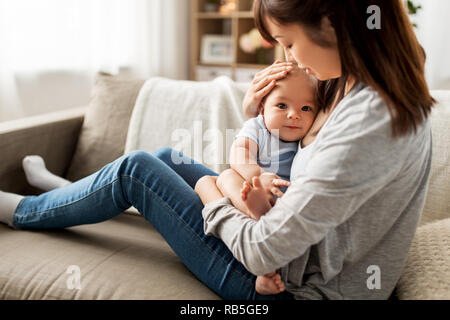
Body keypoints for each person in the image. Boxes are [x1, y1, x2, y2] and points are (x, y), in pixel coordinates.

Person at [0, 0, 435, 299]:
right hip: (283, 234)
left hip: (282, 286)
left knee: (137, 171)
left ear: (332, 24)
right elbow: (304, 151)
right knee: (169, 158)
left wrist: (214, 189)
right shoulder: (358, 86)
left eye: (288, 40)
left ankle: (23, 211)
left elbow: (263, 251)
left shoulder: (370, 123)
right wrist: (257, 112)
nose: (290, 57)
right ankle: (70, 192)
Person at [213, 67, 318, 295]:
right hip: (252, 188)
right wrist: (256, 175)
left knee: (280, 228)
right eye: (282, 106)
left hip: (283, 199)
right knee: (226, 176)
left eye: (306, 108)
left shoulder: (305, 139)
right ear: (262, 108)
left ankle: (266, 275)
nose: (294, 114)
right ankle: (255, 209)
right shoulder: (258, 127)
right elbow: (238, 152)